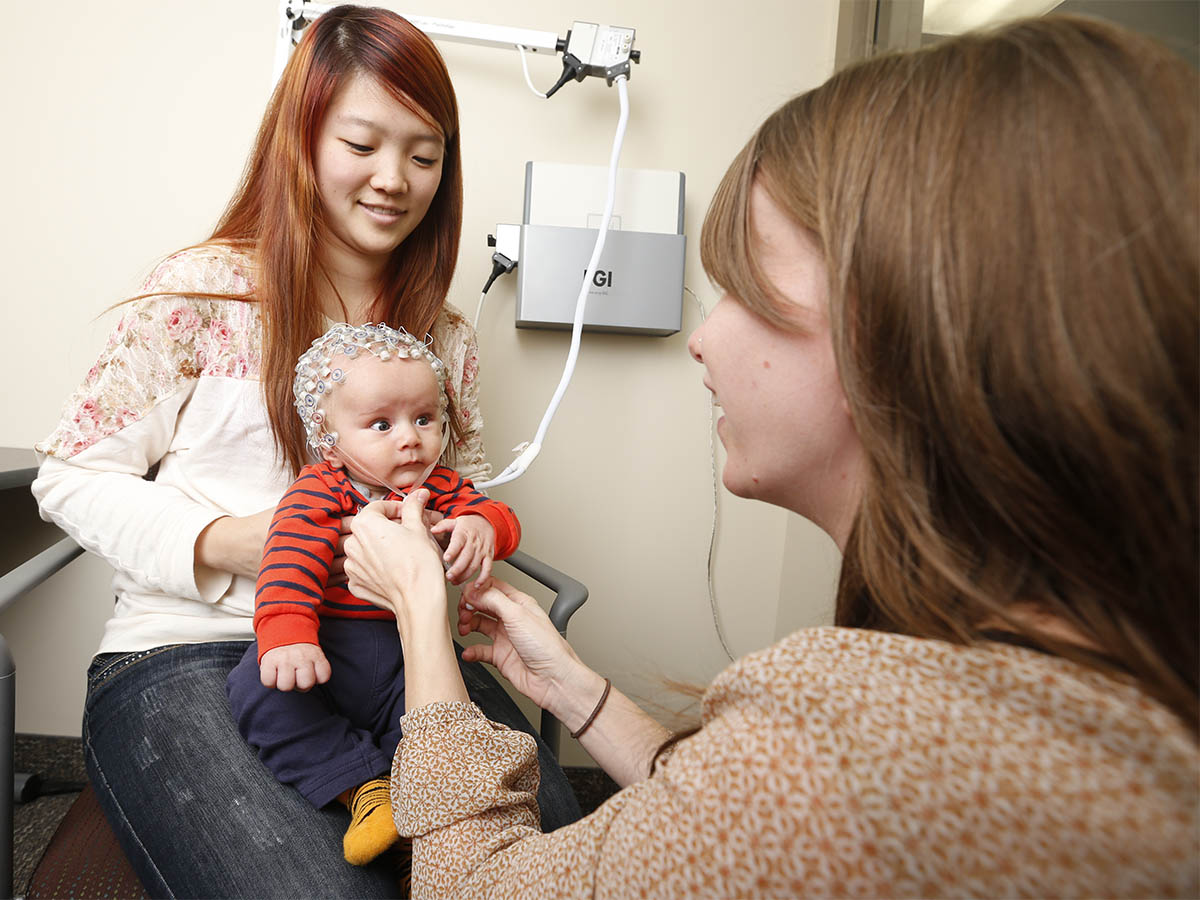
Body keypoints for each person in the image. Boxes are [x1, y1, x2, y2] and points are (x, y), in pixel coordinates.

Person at [342, 14, 1199, 899]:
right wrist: (574, 689)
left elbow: (475, 888)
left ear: (904, 335)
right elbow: (741, 835)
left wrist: (417, 613)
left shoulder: (851, 748)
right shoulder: (1087, 699)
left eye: (746, 290)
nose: (702, 339)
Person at [31, 6, 579, 897]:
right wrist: (232, 542)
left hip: (397, 653)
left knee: (544, 866)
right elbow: (70, 476)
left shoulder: (442, 338)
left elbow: (450, 492)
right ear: (302, 138)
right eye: (362, 144)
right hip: (194, 650)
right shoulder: (204, 292)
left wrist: (455, 546)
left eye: (424, 155)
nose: (394, 180)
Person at [226, 321, 521, 867]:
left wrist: (484, 526)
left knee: (442, 728)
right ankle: (363, 790)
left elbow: (501, 517)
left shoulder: (443, 487)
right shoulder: (321, 489)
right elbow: (288, 557)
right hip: (329, 650)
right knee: (257, 689)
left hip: (411, 653)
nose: (410, 438)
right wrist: (288, 633)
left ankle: (422, 838)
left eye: (424, 419)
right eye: (381, 424)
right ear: (329, 438)